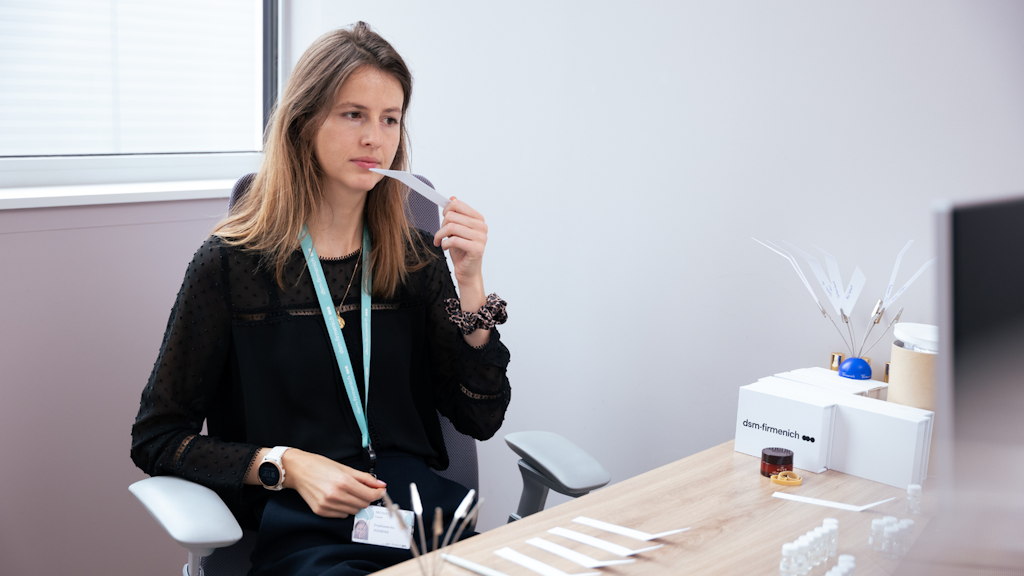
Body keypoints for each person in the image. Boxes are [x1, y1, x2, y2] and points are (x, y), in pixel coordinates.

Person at [130, 22, 511, 576]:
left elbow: (480, 415)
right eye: (353, 114)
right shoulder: (227, 266)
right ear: (304, 122)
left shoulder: (412, 258)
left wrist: (471, 280)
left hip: (420, 520)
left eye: (390, 119)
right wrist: (282, 464)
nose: (374, 139)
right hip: (305, 528)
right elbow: (158, 438)